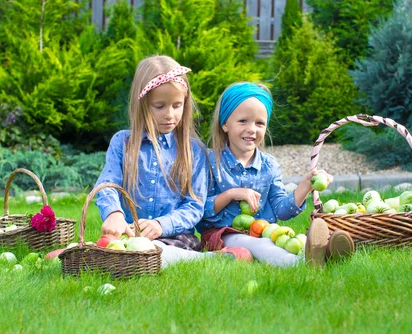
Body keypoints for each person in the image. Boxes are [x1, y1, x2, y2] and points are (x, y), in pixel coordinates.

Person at [94, 56, 251, 268]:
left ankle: (205, 260)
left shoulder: (193, 151)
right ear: (142, 105)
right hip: (129, 236)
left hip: (174, 238)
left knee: (154, 253)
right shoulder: (122, 143)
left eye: (177, 105)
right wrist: (114, 214)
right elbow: (107, 185)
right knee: (115, 251)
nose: (169, 115)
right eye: (159, 106)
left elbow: (195, 207)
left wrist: (161, 224)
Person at [197, 82, 355, 267]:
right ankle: (299, 263)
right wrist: (232, 194)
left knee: (290, 239)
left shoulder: (268, 166)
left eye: (259, 123)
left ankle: (325, 252)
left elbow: (281, 210)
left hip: (264, 231)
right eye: (243, 121)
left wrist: (305, 185)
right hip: (224, 235)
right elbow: (200, 209)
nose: (252, 129)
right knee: (258, 244)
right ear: (225, 124)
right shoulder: (209, 162)